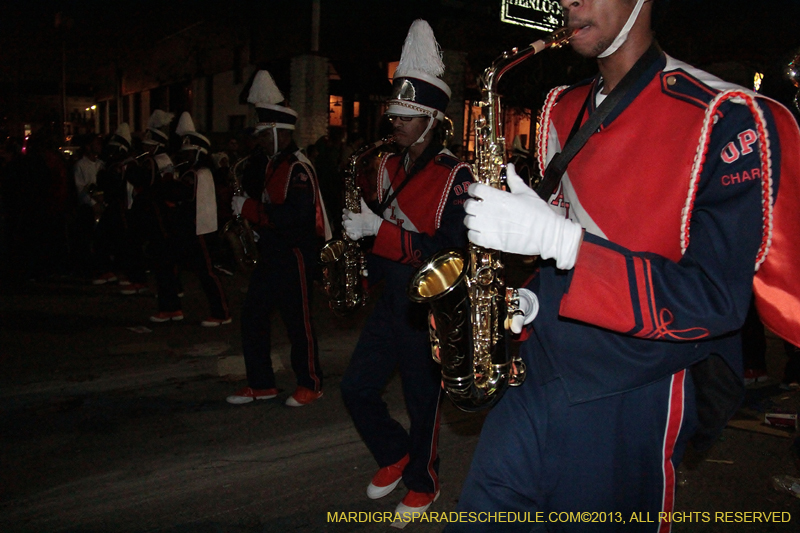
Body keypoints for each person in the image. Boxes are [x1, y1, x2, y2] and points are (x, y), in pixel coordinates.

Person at [450, 0, 800, 531]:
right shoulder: (560, 108)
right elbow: (557, 237)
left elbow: (717, 303)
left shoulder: (722, 115)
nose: (570, 2)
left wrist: (565, 245)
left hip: (633, 390)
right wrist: (531, 288)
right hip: (536, 368)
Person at [338, 19, 473, 521]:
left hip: (428, 309)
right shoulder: (383, 165)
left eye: (404, 117)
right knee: (356, 388)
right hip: (388, 301)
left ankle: (424, 480)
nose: (393, 124)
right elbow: (373, 219)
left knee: (423, 403)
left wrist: (381, 232)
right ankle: (395, 454)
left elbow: (450, 254)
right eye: (393, 115)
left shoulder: (455, 177)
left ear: (431, 120)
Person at [226, 70, 331, 407]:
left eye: (262, 134)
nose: (258, 140)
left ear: (279, 133)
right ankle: (261, 383)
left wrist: (250, 210)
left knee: (297, 321)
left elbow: (294, 218)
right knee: (253, 316)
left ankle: (311, 383)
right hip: (272, 250)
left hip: (295, 253)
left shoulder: (298, 168)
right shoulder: (272, 164)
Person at [148, 112, 231, 327]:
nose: (183, 157)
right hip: (188, 231)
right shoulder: (195, 172)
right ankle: (170, 308)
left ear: (197, 152)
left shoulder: (198, 173)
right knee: (168, 265)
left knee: (207, 273)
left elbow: (177, 193)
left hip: (199, 231)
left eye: (188, 153)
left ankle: (221, 313)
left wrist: (166, 177)